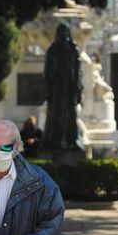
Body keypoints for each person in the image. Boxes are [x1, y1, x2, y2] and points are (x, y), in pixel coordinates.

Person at [42, 23, 83, 151]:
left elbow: (78, 71)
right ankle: (55, 140)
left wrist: (79, 87)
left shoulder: (73, 50)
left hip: (70, 88)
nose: (64, 35)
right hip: (56, 88)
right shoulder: (53, 50)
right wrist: (48, 88)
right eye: (61, 32)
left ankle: (72, 139)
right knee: (56, 114)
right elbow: (48, 71)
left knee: (71, 114)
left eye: (66, 32)